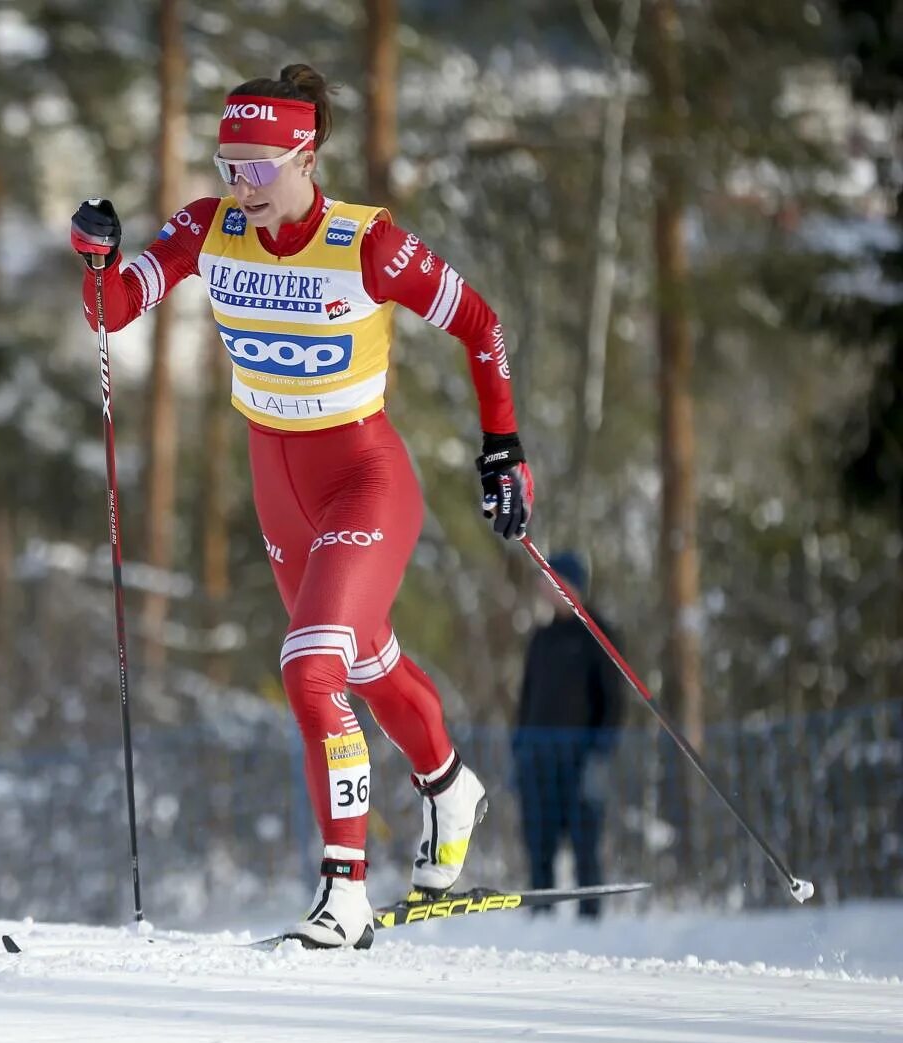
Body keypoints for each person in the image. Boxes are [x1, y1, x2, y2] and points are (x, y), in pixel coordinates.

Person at [70, 64, 533, 947]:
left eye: (254, 166)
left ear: (305, 155)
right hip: (275, 483)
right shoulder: (210, 229)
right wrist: (96, 258)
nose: (236, 185)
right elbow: (116, 309)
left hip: (363, 474)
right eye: (225, 164)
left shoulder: (369, 245)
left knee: (309, 668)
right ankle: (447, 782)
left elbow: (482, 323)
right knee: (359, 663)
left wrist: (502, 448)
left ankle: (343, 893)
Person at [513, 551, 624, 917]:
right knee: (538, 841)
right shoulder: (541, 638)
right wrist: (520, 747)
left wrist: (601, 752)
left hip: (580, 756)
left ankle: (590, 919)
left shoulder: (599, 632)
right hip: (537, 757)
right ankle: (540, 915)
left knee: (584, 841)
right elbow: (527, 697)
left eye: (550, 579)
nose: (544, 588)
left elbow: (613, 699)